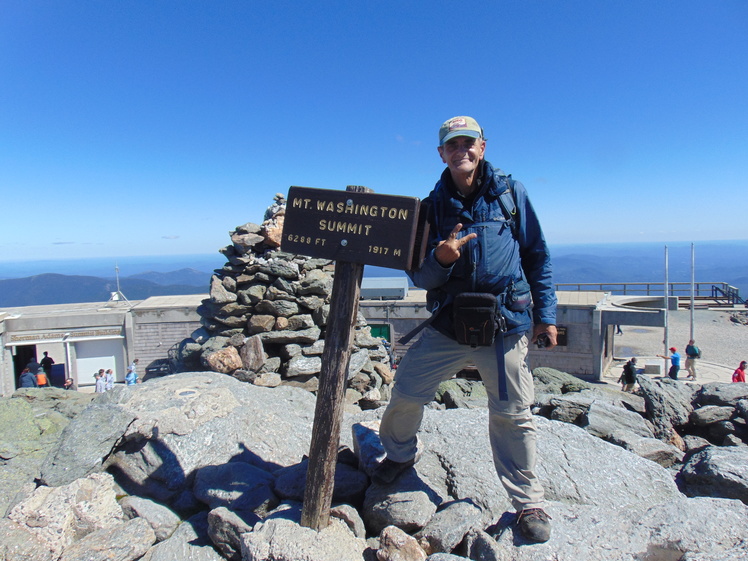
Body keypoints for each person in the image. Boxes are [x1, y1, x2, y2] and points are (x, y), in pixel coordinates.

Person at [374, 116, 558, 543]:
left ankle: (528, 501)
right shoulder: (429, 208)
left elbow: (537, 256)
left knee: (513, 414)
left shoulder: (511, 195)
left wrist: (546, 316)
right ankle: (400, 456)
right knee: (405, 393)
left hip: (505, 325)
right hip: (448, 325)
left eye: (468, 142)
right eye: (452, 145)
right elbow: (419, 278)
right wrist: (441, 258)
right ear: (441, 153)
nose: (461, 150)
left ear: (483, 146)